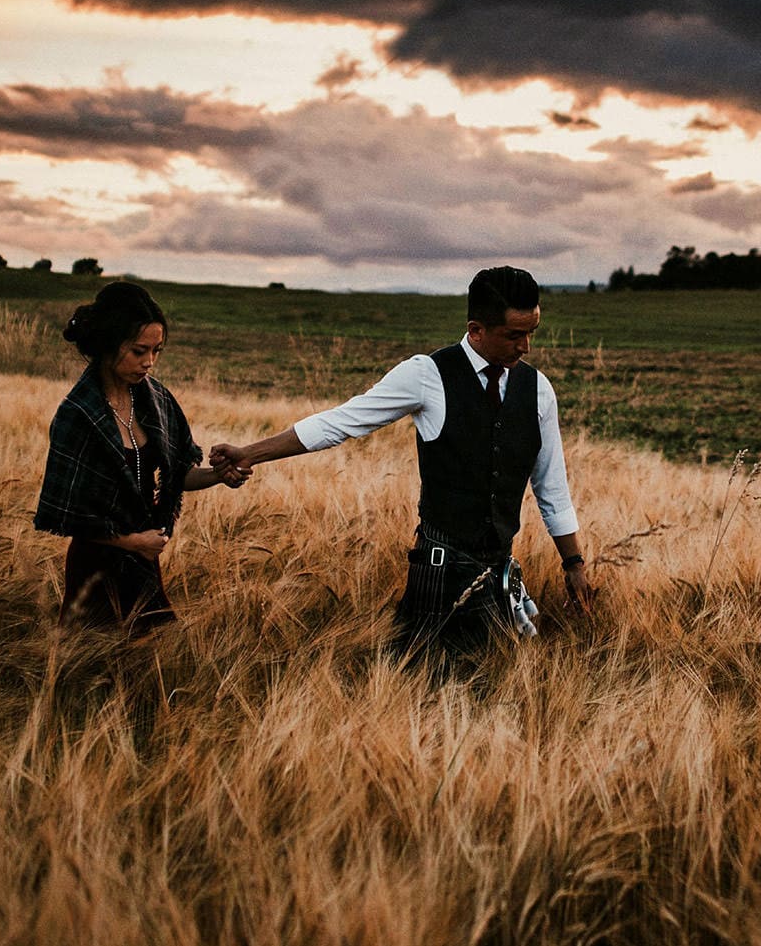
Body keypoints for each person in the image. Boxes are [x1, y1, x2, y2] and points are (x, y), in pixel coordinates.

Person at [210, 265, 593, 667]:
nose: (526, 346)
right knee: (416, 678)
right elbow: (340, 422)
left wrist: (574, 564)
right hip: (437, 570)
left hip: (498, 573)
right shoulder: (427, 375)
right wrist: (250, 453)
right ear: (476, 330)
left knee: (488, 690)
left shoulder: (538, 391)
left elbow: (552, 487)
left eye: (532, 332)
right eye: (515, 335)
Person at [35, 281, 247, 634]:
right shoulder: (78, 414)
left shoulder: (157, 401)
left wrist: (218, 474)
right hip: (95, 568)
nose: (149, 362)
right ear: (108, 345)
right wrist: (133, 542)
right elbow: (66, 515)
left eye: (157, 351)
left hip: (143, 563)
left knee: (150, 664)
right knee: (89, 668)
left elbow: (177, 472)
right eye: (138, 351)